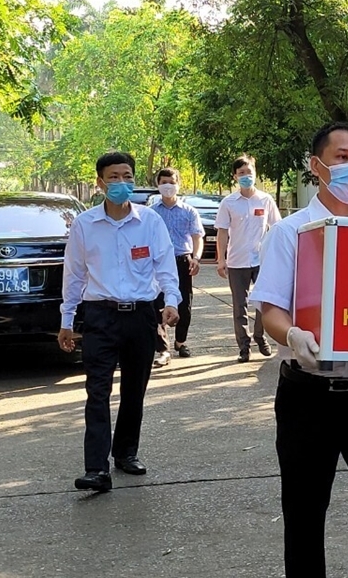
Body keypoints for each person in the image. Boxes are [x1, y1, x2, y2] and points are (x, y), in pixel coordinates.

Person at [251, 121, 348, 578]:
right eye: (343, 158)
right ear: (316, 166)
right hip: (308, 398)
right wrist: (293, 337)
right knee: (304, 515)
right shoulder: (291, 233)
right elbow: (271, 311)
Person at [58, 151, 181, 493]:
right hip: (100, 316)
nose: (121, 183)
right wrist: (67, 319)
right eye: (114, 177)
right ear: (99, 183)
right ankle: (96, 468)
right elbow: (74, 275)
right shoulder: (85, 225)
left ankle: (126, 452)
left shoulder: (150, 222)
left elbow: (165, 265)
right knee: (97, 391)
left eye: (127, 176)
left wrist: (171, 301)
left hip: (141, 316)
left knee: (134, 391)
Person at [215, 155, 281, 362]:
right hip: (237, 261)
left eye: (249, 172)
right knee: (239, 306)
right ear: (235, 176)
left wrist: (278, 257)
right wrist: (221, 259)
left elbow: (277, 228)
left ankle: (261, 337)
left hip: (262, 260)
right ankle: (244, 345)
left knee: (264, 303)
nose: (246, 176)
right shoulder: (229, 203)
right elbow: (222, 232)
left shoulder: (265, 200)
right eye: (241, 173)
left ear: (255, 174)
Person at [150, 167, 204, 366]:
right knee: (156, 304)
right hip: (157, 262)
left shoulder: (189, 211)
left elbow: (198, 237)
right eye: (164, 182)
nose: (168, 186)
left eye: (171, 182)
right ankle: (163, 349)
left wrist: (196, 258)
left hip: (182, 260)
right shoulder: (151, 213)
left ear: (178, 184)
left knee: (184, 305)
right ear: (158, 185)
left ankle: (180, 342)